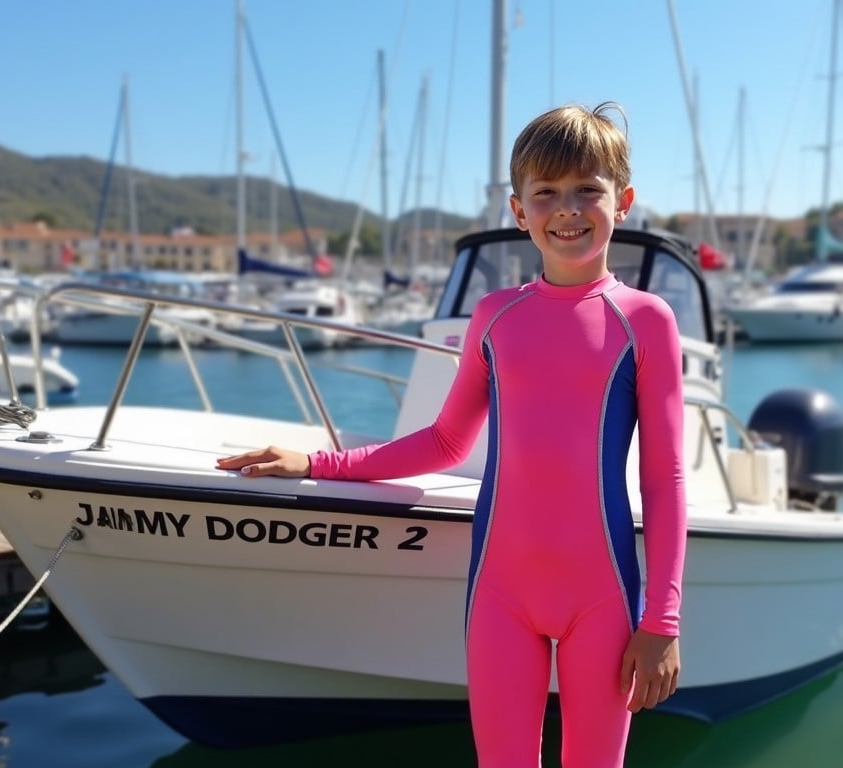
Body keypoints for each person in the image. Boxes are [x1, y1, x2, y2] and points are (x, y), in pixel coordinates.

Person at [216, 101, 687, 768]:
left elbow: (664, 478)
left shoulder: (646, 320)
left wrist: (660, 622)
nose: (569, 209)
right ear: (519, 210)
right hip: (501, 593)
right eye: (546, 193)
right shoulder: (496, 317)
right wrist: (315, 461)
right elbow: (444, 442)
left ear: (624, 201)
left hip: (604, 595)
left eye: (589, 189)